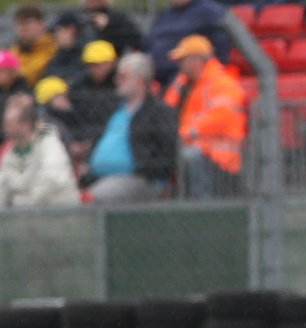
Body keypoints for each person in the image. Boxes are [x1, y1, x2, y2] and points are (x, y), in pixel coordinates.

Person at [84, 51, 176, 202]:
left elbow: (167, 154)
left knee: (94, 198)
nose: (117, 81)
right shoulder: (112, 108)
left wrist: (145, 169)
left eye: (123, 76)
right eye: (117, 76)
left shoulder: (158, 112)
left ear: (139, 80)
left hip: (139, 180)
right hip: (98, 178)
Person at [162, 34, 246, 198]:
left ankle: (203, 207)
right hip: (190, 146)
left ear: (196, 60)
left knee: (190, 156)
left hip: (218, 155)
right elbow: (166, 109)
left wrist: (184, 133)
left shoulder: (222, 83)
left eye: (182, 59)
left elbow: (220, 117)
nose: (179, 64)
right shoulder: (184, 83)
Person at [0, 93, 80, 206]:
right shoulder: (12, 152)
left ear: (25, 125)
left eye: (9, 123)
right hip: (25, 216)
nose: (4, 128)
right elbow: (3, 184)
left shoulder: (49, 142)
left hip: (58, 214)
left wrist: (21, 203)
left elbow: (52, 180)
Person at [145, 0, 232, 87]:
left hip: (185, 77)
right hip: (153, 76)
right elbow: (147, 43)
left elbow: (221, 50)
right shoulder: (165, 15)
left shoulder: (209, 12)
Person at [67, 40, 119, 153]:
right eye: (91, 65)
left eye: (99, 64)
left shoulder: (121, 85)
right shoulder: (78, 87)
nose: (94, 69)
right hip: (85, 139)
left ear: (112, 63)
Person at [10, 5, 58, 87]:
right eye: (19, 23)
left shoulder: (53, 47)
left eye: (27, 23)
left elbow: (31, 75)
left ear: (41, 24)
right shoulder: (14, 50)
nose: (22, 27)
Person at [42, 12, 88, 85]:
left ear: (71, 30)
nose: (55, 36)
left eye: (58, 31)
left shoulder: (86, 53)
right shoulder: (58, 54)